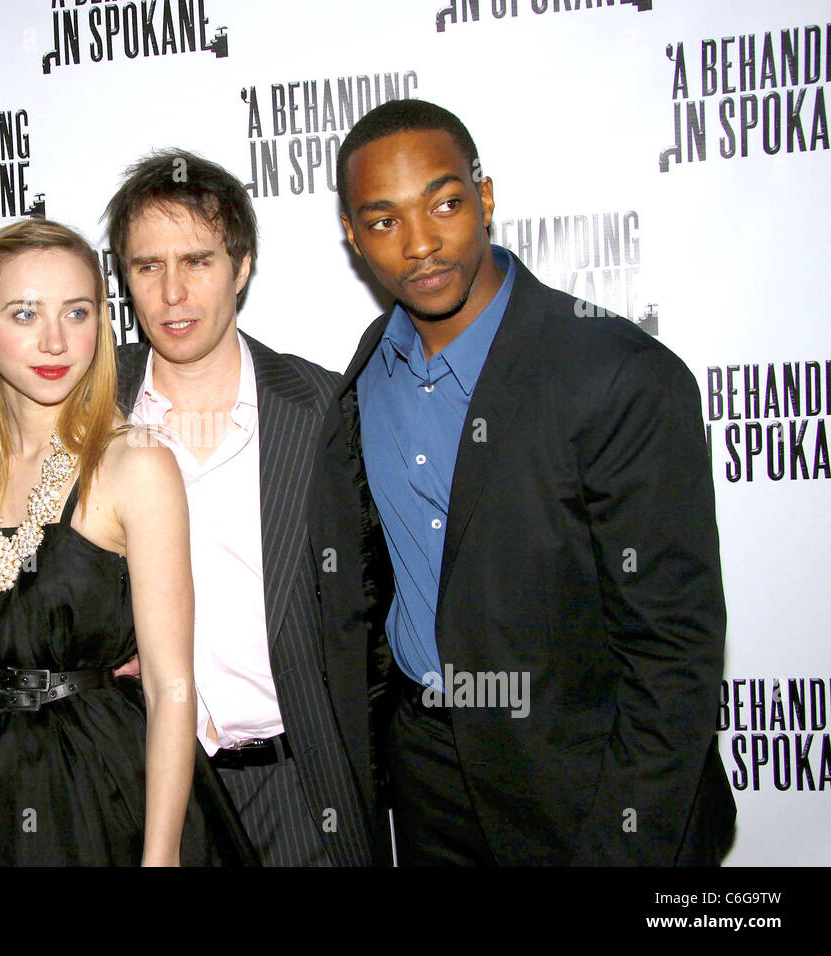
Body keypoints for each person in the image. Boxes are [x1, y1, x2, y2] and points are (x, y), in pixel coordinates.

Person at [313, 98, 735, 865]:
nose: (420, 244)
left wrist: (624, 842)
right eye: (383, 222)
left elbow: (674, 651)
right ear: (352, 235)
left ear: (487, 197)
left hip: (586, 782)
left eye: (444, 203)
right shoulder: (367, 374)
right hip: (429, 784)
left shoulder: (617, 375)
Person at [0, 219, 226, 866]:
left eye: (77, 312)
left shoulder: (136, 464)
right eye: (25, 313)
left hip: (96, 796)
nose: (55, 340)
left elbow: (173, 688)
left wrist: (162, 857)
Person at [104, 150, 377, 866]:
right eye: (147, 266)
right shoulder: (86, 412)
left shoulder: (321, 411)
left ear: (242, 266)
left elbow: (374, 613)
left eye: (196, 261)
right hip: (141, 790)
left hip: (300, 788)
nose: (171, 294)